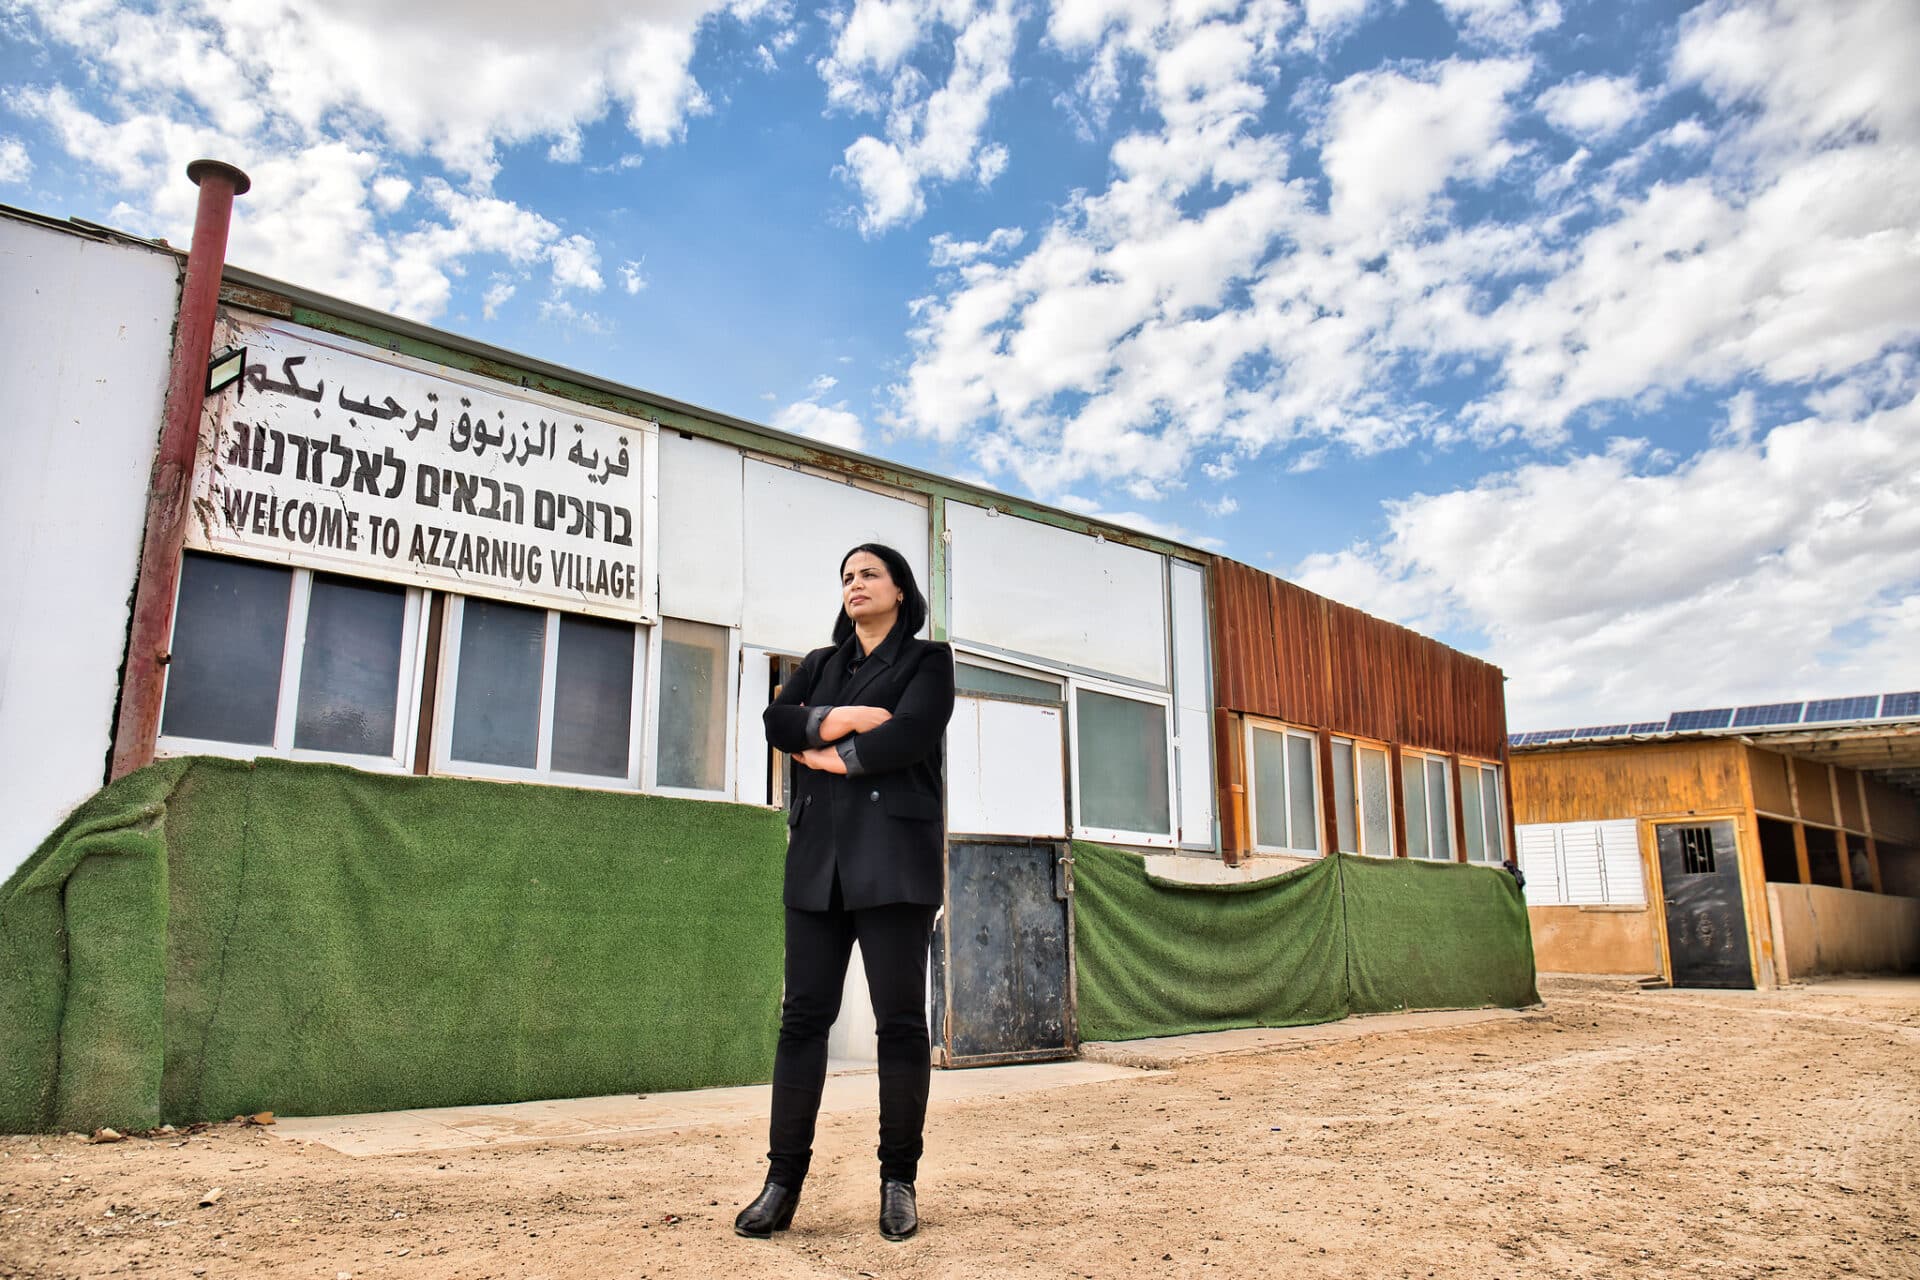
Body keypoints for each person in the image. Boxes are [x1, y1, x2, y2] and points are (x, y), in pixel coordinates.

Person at [734, 542, 955, 1243]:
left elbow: (913, 735)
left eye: (869, 574)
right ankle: (781, 1183)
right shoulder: (820, 664)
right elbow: (776, 723)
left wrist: (826, 747)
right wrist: (857, 720)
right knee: (802, 1020)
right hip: (818, 862)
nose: (855, 584)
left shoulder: (928, 662)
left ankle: (899, 1181)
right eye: (847, 577)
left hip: (895, 863)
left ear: (899, 590)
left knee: (899, 1024)